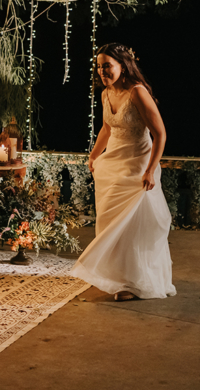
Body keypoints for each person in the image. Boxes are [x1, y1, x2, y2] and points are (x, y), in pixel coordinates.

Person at [72, 43, 176, 301]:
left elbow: (160, 133)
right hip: (113, 164)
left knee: (132, 226)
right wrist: (95, 154)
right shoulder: (106, 94)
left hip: (137, 165)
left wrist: (151, 171)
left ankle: (134, 283)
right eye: (99, 66)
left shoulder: (137, 93)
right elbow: (107, 128)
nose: (102, 71)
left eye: (107, 65)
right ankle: (118, 277)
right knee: (109, 222)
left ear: (122, 65)